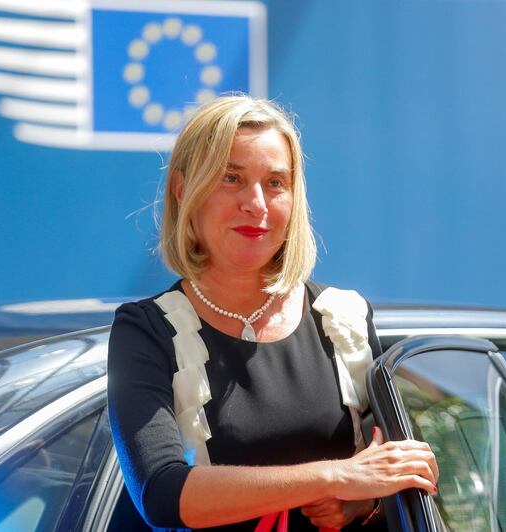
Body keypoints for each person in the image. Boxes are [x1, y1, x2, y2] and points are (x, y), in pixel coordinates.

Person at [107, 95, 438, 531]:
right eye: (231, 178)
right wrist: (333, 476)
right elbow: (163, 494)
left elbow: (385, 472)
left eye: (276, 183)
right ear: (183, 189)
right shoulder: (147, 330)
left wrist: (359, 504)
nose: (257, 204)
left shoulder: (344, 319)